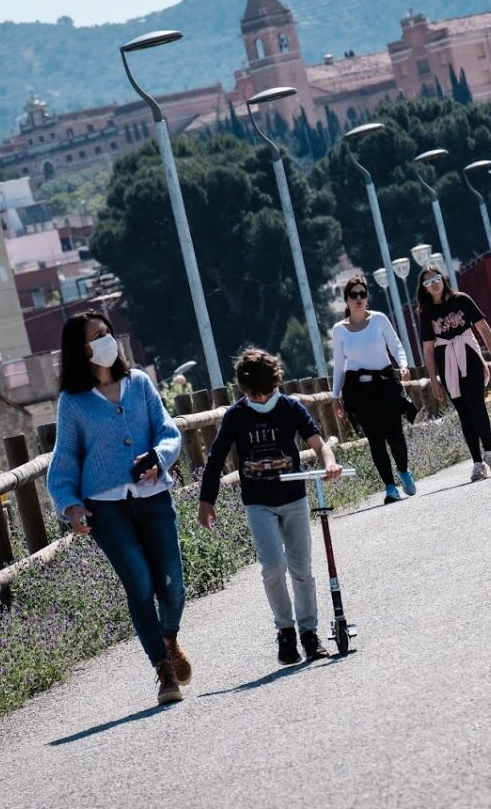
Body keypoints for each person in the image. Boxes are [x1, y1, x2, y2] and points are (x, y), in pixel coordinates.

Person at [47, 312, 191, 705]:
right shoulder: (73, 402)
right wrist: (70, 506)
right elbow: (65, 461)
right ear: (82, 348)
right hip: (106, 511)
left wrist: (159, 458)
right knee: (141, 585)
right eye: (98, 335)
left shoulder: (139, 383)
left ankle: (169, 636)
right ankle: (163, 668)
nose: (107, 339)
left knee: (173, 586)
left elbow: (167, 431)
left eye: (108, 332)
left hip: (154, 498)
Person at [198, 348, 342, 665]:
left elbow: (318, 443)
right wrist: (206, 500)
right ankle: (285, 631)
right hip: (258, 502)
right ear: (244, 390)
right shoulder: (236, 415)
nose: (262, 400)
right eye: (254, 395)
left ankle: (309, 633)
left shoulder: (289, 407)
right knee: (273, 567)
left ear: (276, 384)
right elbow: (216, 458)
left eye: (267, 394)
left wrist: (329, 464)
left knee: (301, 568)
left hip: (293, 499)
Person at [331, 275, 417, 505]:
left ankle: (403, 471)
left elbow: (396, 344)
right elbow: (339, 364)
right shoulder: (339, 330)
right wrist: (334, 396)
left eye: (362, 294)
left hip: (385, 384)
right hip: (359, 391)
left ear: (367, 297)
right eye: (353, 295)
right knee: (375, 439)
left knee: (395, 434)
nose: (359, 299)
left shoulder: (379, 319)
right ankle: (389, 487)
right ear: (346, 300)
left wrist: (403, 364)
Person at [417, 264, 491, 482]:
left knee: (477, 405)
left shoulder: (461, 300)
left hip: (469, 355)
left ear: (443, 278)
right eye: (428, 282)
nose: (433, 284)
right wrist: (433, 379)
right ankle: (477, 462)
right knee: (463, 412)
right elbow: (428, 349)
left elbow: (483, 328)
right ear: (424, 288)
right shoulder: (426, 312)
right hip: (446, 362)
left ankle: (490, 451)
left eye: (436, 278)